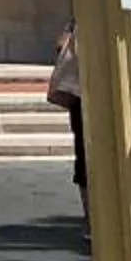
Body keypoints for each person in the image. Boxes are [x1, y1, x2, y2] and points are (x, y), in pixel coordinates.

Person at [47, 21, 86, 194]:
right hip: (83, 94)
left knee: (84, 159)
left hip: (81, 94)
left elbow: (60, 45)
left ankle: (91, 214)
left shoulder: (80, 19)